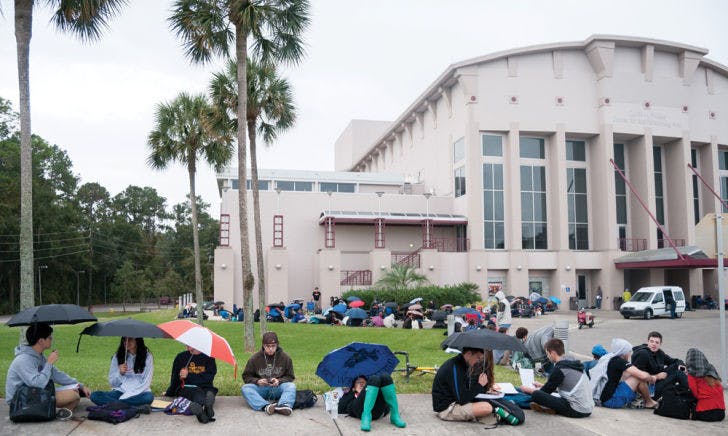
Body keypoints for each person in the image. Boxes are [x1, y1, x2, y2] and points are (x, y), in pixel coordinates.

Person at [5, 323, 91, 418]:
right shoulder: (23, 360)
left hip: (34, 394)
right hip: (20, 400)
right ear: (41, 341)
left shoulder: (39, 356)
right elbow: (38, 384)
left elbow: (56, 375)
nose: (52, 339)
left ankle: (61, 412)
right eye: (50, 338)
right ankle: (51, 411)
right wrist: (49, 363)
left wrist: (80, 386)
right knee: (73, 395)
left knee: (75, 394)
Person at [432, 348, 515, 423]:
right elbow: (462, 399)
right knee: (487, 407)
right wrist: (479, 385)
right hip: (447, 409)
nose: (478, 361)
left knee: (487, 405)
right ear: (469, 354)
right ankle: (499, 413)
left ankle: (498, 413)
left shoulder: (462, 364)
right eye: (478, 358)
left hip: (456, 402)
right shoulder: (454, 367)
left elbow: (467, 391)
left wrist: (485, 390)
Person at [520, 338, 593, 418]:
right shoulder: (574, 363)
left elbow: (545, 391)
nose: (548, 357)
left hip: (576, 410)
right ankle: (549, 407)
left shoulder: (560, 368)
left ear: (553, 353)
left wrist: (528, 390)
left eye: (547, 354)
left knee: (536, 395)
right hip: (588, 409)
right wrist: (542, 385)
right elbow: (566, 387)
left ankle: (548, 407)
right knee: (549, 395)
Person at [591, 338, 663, 409]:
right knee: (638, 377)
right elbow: (642, 375)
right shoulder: (619, 361)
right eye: (628, 351)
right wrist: (654, 377)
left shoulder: (611, 357)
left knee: (634, 376)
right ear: (624, 352)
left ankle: (647, 400)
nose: (629, 354)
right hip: (611, 401)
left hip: (605, 398)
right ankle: (649, 402)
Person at [241, 332, 296, 416]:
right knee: (245, 388)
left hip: (278, 387)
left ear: (277, 345)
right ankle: (266, 406)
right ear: (263, 345)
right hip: (262, 388)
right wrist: (257, 381)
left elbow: (290, 376)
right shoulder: (255, 358)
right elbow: (246, 376)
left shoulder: (285, 358)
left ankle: (284, 405)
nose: (270, 349)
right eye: (268, 346)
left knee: (291, 386)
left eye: (273, 346)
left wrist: (279, 381)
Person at [90, 337, 154, 407]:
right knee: (95, 395)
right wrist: (119, 373)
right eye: (124, 339)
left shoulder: (147, 356)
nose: (126, 342)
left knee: (149, 398)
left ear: (137, 340)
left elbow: (146, 383)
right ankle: (129, 406)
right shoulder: (117, 356)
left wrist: (126, 396)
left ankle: (117, 405)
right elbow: (113, 383)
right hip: (121, 390)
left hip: (139, 392)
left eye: (130, 339)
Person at [163, 345, 218, 424]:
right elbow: (174, 378)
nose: (189, 349)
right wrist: (170, 392)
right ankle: (206, 409)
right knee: (198, 394)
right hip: (187, 387)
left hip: (204, 386)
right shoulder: (180, 357)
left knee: (208, 392)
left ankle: (204, 411)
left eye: (191, 347)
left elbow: (209, 377)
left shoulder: (209, 358)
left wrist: (189, 375)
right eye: (187, 346)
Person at [338, 374, 406, 431]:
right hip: (359, 410)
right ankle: (366, 416)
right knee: (374, 378)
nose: (361, 383)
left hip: (376, 411)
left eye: (364, 382)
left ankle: (395, 416)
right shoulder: (351, 394)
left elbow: (386, 405)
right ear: (353, 388)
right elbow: (340, 408)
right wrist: (350, 392)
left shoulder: (373, 390)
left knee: (385, 377)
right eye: (358, 382)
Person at [631, 331, 682, 398]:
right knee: (678, 374)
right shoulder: (643, 354)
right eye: (651, 341)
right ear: (648, 342)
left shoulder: (659, 353)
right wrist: (656, 376)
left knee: (677, 367)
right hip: (648, 390)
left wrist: (682, 366)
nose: (654, 344)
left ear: (660, 344)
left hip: (657, 382)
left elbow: (674, 361)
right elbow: (637, 377)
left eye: (657, 342)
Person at [685, 348, 725, 422]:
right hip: (721, 414)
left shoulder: (692, 374)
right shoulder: (711, 369)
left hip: (705, 413)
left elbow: (695, 394)